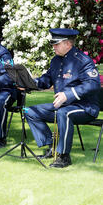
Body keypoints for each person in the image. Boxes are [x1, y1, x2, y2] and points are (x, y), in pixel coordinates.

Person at [25, 28, 101, 168]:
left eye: (56, 44)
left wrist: (68, 94)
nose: (53, 46)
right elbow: (46, 81)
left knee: (63, 113)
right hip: (64, 106)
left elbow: (93, 84)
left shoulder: (82, 60)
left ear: (67, 44)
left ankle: (64, 156)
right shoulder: (55, 60)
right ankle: (51, 147)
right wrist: (27, 84)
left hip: (85, 107)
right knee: (29, 111)